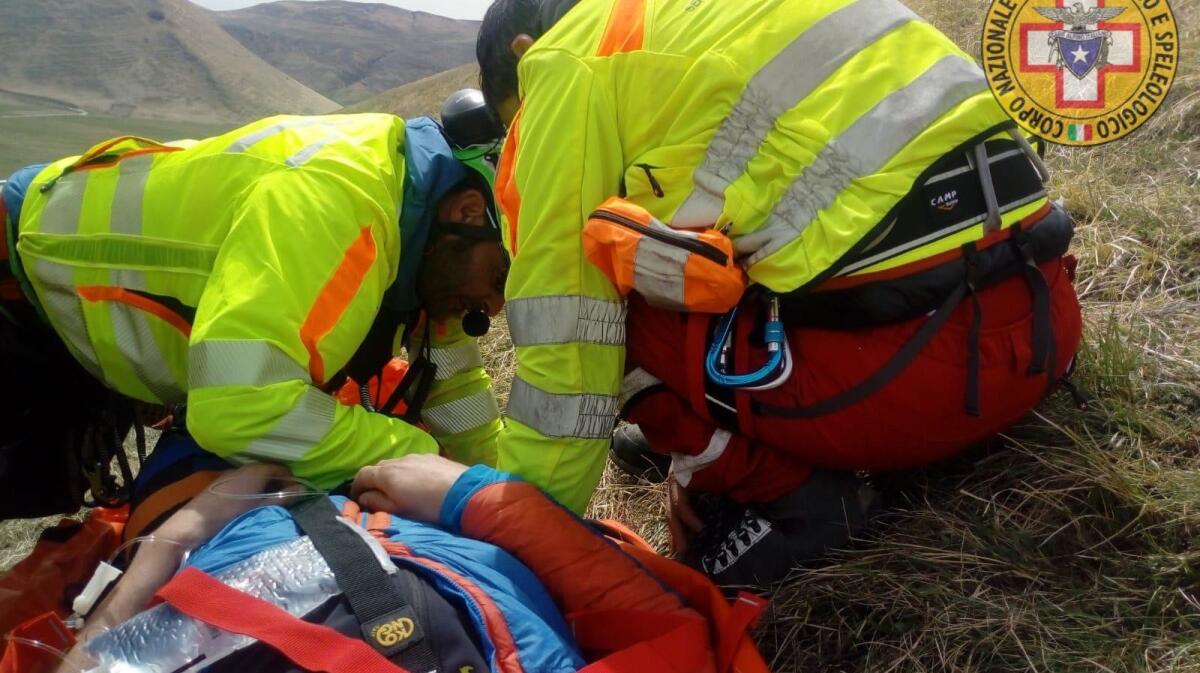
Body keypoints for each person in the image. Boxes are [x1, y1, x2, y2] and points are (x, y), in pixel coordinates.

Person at [474, 0, 1084, 582]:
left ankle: (790, 496)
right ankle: (716, 448)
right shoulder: (702, 27)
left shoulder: (566, 58)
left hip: (902, 388)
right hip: (1044, 328)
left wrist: (513, 534)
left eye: (515, 123)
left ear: (526, 51)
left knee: (608, 263)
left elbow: (569, 338)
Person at [0, 92, 508, 523]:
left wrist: (504, 489)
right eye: (500, 278)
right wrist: (421, 458)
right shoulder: (341, 204)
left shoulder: (426, 242)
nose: (492, 305)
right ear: (465, 212)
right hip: (21, 285)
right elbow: (239, 408)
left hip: (65, 310)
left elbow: (456, 385)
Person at [43, 456, 766, 673]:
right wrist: (466, 494)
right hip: (375, 538)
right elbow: (669, 637)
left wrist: (105, 619)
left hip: (273, 527)